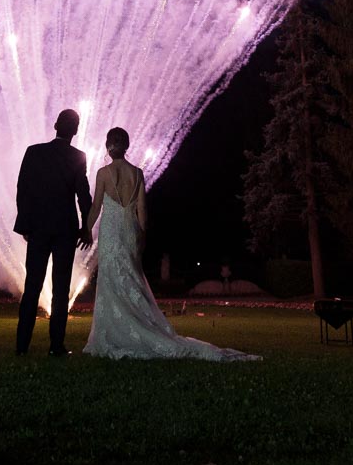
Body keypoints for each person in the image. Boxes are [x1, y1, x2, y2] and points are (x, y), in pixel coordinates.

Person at [83, 126, 259, 361]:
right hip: (129, 231)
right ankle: (137, 325)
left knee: (112, 280)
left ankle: (115, 332)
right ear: (126, 146)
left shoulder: (103, 173)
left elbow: (96, 207)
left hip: (111, 233)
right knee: (132, 279)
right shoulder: (137, 174)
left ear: (108, 146)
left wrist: (85, 230)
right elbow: (142, 209)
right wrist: (142, 235)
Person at [13, 108, 93, 356]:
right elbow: (83, 196)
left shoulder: (34, 152)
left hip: (38, 228)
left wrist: (25, 226)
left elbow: (22, 189)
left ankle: (21, 346)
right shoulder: (78, 156)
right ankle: (56, 346)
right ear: (76, 130)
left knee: (32, 286)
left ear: (55, 125)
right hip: (65, 231)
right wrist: (86, 228)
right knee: (61, 289)